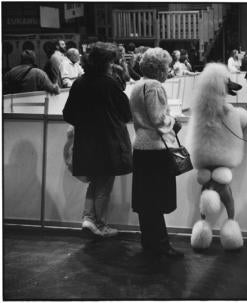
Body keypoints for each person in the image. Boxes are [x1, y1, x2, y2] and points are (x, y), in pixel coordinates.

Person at [62, 42, 133, 238]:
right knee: (105, 183)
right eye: (110, 61)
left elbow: (68, 114)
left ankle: (88, 219)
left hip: (86, 141)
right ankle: (101, 225)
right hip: (109, 141)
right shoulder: (110, 84)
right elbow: (126, 113)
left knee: (95, 180)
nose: (112, 65)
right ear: (104, 62)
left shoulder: (79, 83)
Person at [129, 47, 184, 258]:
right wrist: (174, 122)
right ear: (159, 68)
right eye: (166, 66)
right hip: (155, 148)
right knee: (158, 200)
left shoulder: (137, 86)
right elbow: (158, 118)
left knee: (145, 201)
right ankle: (161, 245)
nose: (168, 70)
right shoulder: (154, 86)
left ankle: (149, 241)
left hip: (140, 147)